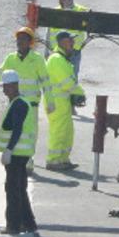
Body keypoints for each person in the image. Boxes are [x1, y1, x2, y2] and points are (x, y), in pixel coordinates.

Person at [0, 25, 56, 126]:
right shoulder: (11, 58)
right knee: (15, 133)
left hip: (31, 104)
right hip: (15, 103)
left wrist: (50, 101)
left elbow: (46, 82)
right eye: (18, 39)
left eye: (23, 39)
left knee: (29, 134)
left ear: (30, 42)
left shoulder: (37, 59)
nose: (20, 41)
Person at [0, 69, 40, 235]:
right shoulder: (18, 103)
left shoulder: (19, 104)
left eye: (7, 86)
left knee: (13, 189)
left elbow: (17, 129)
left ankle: (13, 225)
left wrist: (8, 150)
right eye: (4, 86)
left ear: (15, 86)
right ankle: (28, 224)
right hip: (20, 154)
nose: (4, 90)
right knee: (20, 188)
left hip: (16, 155)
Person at [44, 31, 86, 171]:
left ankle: (63, 159)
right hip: (56, 102)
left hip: (62, 102)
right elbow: (67, 83)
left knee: (67, 131)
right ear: (62, 42)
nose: (73, 43)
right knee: (59, 131)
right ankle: (53, 161)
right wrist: (80, 93)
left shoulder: (62, 59)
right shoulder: (56, 59)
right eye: (70, 40)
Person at [46, 0, 89, 80]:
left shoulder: (81, 11)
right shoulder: (55, 12)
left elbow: (89, 23)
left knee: (71, 78)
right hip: (56, 52)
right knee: (55, 77)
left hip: (73, 52)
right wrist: (47, 52)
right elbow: (49, 32)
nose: (59, 1)